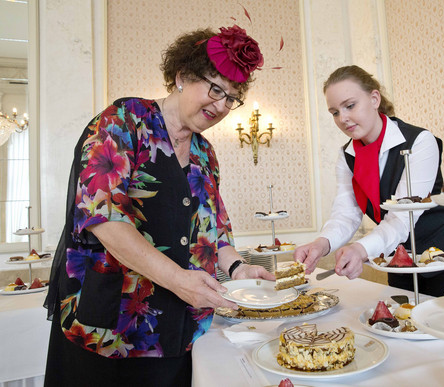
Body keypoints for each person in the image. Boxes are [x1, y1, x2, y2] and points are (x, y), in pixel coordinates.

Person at [43, 26, 274, 386]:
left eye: (231, 98)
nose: (221, 106)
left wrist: (240, 268)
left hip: (178, 332)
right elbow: (105, 220)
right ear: (181, 77)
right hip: (109, 331)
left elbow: (212, 229)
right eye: (215, 89)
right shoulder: (123, 121)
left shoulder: (205, 152)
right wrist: (180, 281)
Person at [294, 65, 444, 297]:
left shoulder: (420, 142)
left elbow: (402, 218)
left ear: (374, 98)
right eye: (334, 112)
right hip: (397, 257)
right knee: (403, 322)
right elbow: (346, 213)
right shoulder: (347, 156)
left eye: (350, 105)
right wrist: (321, 244)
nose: (342, 118)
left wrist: (361, 249)